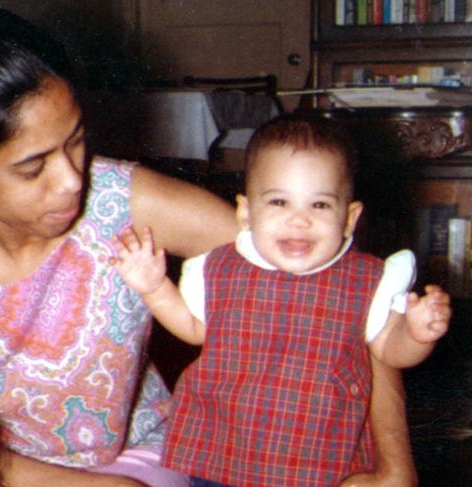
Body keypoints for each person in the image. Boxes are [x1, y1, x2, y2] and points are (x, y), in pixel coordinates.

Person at [0, 4, 417, 487]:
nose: (71, 180)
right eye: (33, 167)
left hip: (137, 457)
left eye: (77, 140)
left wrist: (392, 465)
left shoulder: (122, 200)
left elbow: (339, 284)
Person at [113, 113, 451, 486]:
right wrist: (155, 288)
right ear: (245, 212)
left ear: (350, 219)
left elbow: (390, 350)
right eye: (278, 202)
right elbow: (193, 329)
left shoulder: (367, 281)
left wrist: (417, 334)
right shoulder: (218, 268)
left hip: (319, 459)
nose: (298, 220)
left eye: (319, 206)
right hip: (223, 450)